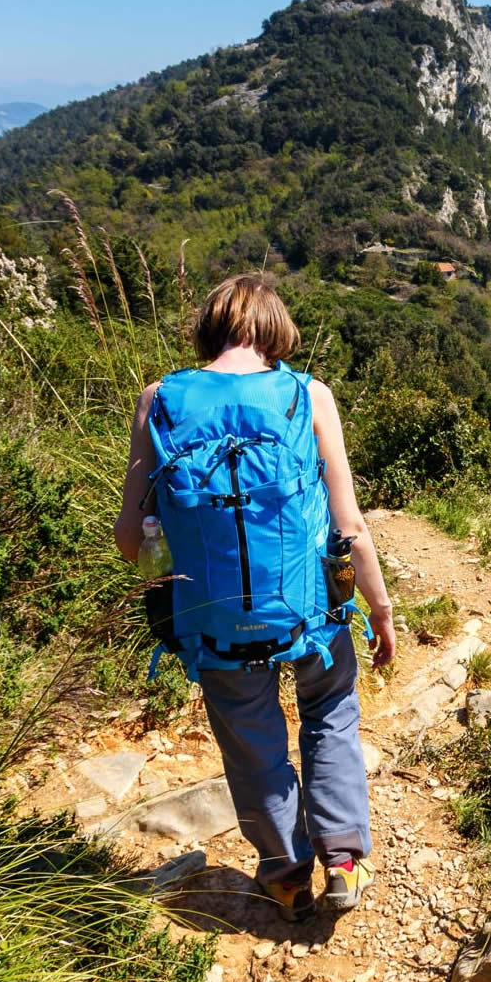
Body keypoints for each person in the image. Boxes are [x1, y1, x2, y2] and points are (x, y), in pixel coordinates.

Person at [115, 273, 396, 920]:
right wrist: (379, 610)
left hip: (213, 624)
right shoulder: (307, 395)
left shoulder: (159, 400)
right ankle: (346, 860)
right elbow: (350, 527)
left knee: (251, 743)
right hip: (312, 615)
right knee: (330, 714)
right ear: (275, 332)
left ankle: (287, 871)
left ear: (209, 328)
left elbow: (131, 538)